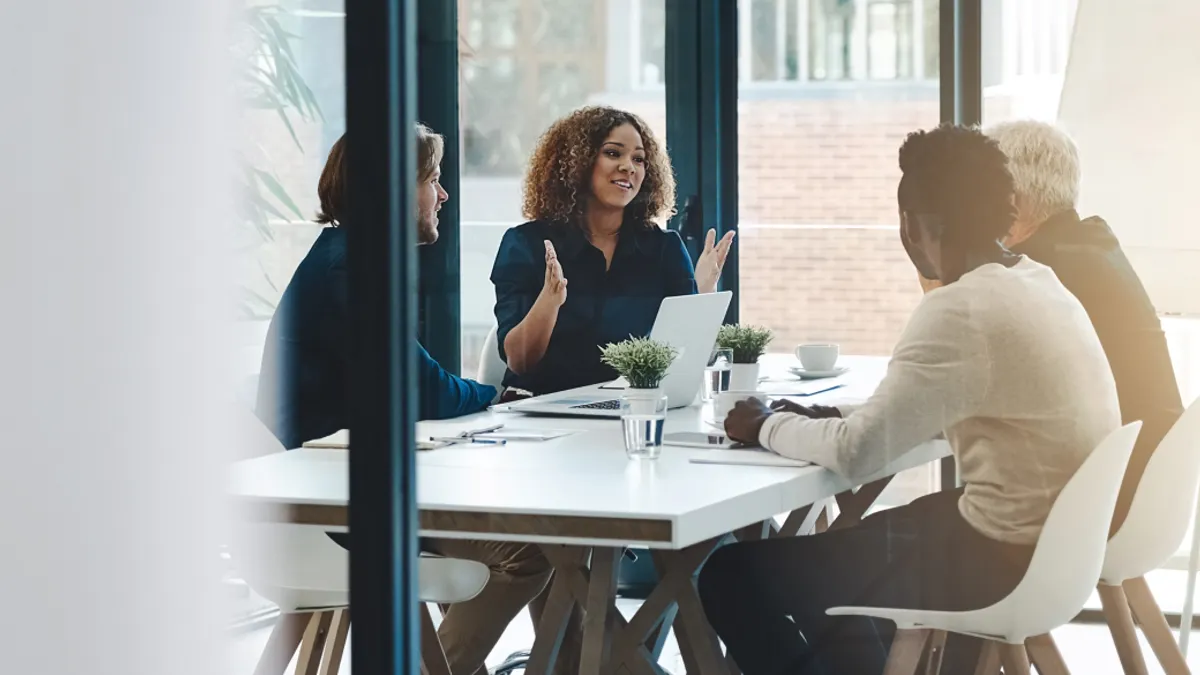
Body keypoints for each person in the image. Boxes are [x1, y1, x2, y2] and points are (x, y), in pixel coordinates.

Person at [707, 124, 1121, 675]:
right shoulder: (1041, 282)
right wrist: (828, 415)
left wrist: (762, 424)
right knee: (842, 558)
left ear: (923, 223)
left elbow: (858, 454)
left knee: (732, 575)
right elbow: (921, 409)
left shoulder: (960, 309)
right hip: (1052, 553)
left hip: (997, 561)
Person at [255, 125, 561, 675]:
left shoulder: (344, 258)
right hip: (328, 510)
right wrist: (496, 396)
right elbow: (425, 388)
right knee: (531, 551)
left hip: (338, 491)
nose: (443, 195)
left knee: (510, 542)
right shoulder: (352, 269)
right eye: (434, 180)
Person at [987, 119, 1183, 535]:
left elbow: (965, 381)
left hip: (1100, 501)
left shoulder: (1036, 270)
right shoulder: (1091, 243)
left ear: (1010, 198)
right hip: (1154, 487)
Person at [490, 105, 734, 397]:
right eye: (613, 153)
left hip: (631, 405)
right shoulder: (526, 245)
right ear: (577, 162)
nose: (629, 166)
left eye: (639, 159)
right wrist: (549, 301)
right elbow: (521, 362)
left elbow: (685, 358)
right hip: (539, 410)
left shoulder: (664, 249)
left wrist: (702, 295)